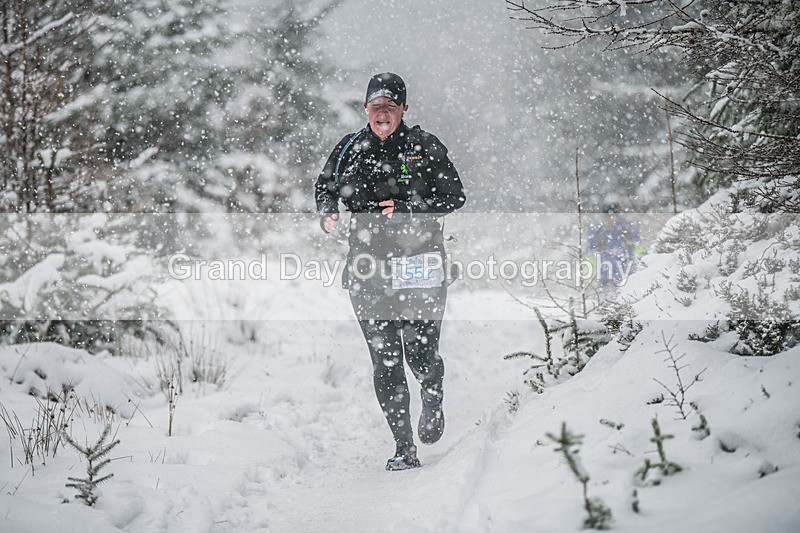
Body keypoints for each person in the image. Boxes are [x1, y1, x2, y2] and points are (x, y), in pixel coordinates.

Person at [315, 72, 465, 471]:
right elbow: (324, 186)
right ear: (365, 109)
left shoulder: (424, 147)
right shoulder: (349, 148)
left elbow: (455, 196)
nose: (383, 113)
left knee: (419, 354)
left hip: (419, 266)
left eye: (391, 107)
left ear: (404, 109)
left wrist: (408, 211)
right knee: (385, 361)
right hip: (368, 270)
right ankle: (404, 447)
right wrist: (327, 212)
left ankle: (432, 391)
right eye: (376, 106)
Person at [587, 202, 640, 293]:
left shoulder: (627, 228)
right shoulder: (598, 231)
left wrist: (639, 268)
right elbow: (591, 253)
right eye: (608, 216)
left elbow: (638, 247)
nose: (611, 218)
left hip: (627, 275)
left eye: (614, 215)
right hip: (605, 277)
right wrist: (590, 277)